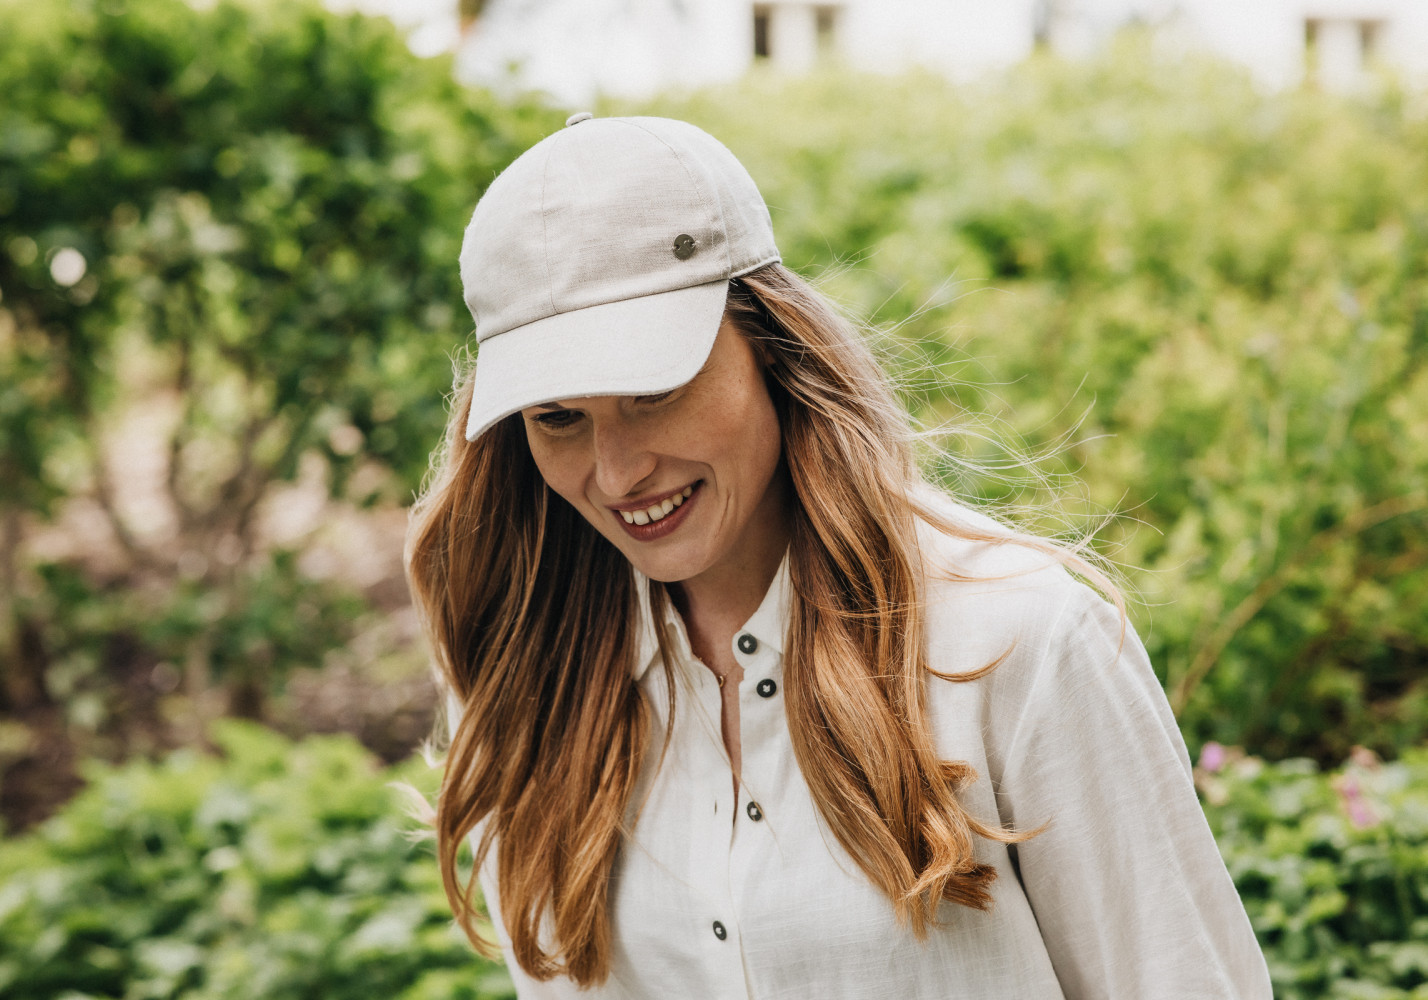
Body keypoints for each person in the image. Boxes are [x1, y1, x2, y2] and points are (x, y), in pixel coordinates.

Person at [404, 113, 1271, 998]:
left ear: (773, 349)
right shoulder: (534, 679)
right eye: (559, 419)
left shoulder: (1020, 643)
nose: (617, 470)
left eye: (654, 392)